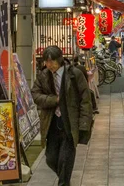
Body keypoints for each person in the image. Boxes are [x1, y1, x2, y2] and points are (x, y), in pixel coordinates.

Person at [31, 46, 93, 186]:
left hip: (69, 123)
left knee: (65, 159)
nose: (49, 65)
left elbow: (85, 100)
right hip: (52, 123)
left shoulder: (74, 74)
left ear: (59, 60)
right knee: (51, 158)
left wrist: (84, 124)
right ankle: (65, 180)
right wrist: (54, 100)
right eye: (46, 62)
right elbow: (35, 95)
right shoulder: (43, 75)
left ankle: (64, 182)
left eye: (52, 62)